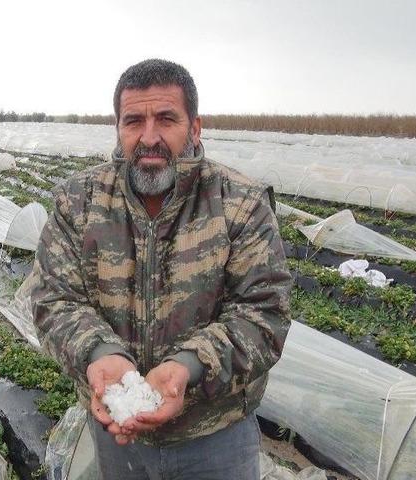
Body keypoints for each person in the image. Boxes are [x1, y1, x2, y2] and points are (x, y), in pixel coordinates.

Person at [31, 58, 292, 480]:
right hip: (119, 432)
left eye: (166, 118)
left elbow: (264, 313)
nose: (148, 137)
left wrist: (187, 368)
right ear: (118, 127)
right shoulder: (77, 203)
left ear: (195, 127)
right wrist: (101, 355)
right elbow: (54, 298)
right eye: (133, 121)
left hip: (214, 436)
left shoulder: (240, 203)